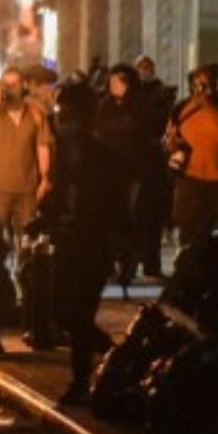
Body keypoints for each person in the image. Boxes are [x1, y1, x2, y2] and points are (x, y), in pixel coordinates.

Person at [38, 83, 122, 405]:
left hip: (92, 243)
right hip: (68, 241)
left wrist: (119, 243)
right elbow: (61, 193)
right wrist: (47, 217)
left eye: (67, 111)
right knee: (63, 311)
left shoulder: (101, 154)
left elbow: (113, 202)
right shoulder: (65, 149)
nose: (62, 118)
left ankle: (80, 380)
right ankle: (112, 352)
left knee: (81, 312)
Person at [0, 66, 54, 352]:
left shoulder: (34, 113)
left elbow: (43, 145)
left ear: (23, 86)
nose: (10, 89)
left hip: (26, 189)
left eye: (14, 84)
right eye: (5, 85)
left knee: (29, 252)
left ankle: (30, 318)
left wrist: (45, 177)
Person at [165, 67, 218, 250]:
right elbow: (170, 137)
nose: (202, 87)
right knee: (188, 228)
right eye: (197, 82)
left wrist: (208, 107)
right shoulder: (181, 108)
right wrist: (172, 143)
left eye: (206, 82)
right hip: (189, 177)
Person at [94, 64, 147, 293]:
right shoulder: (105, 105)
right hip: (109, 171)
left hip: (131, 170)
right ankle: (111, 263)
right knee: (110, 218)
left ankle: (128, 262)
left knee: (128, 216)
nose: (114, 85)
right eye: (112, 81)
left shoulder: (138, 105)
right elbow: (98, 131)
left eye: (119, 81)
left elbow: (140, 132)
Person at [133, 55, 173, 278]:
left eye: (147, 67)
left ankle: (151, 264)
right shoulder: (131, 94)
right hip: (136, 164)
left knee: (152, 219)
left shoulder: (160, 93)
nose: (144, 71)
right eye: (141, 67)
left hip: (153, 165)